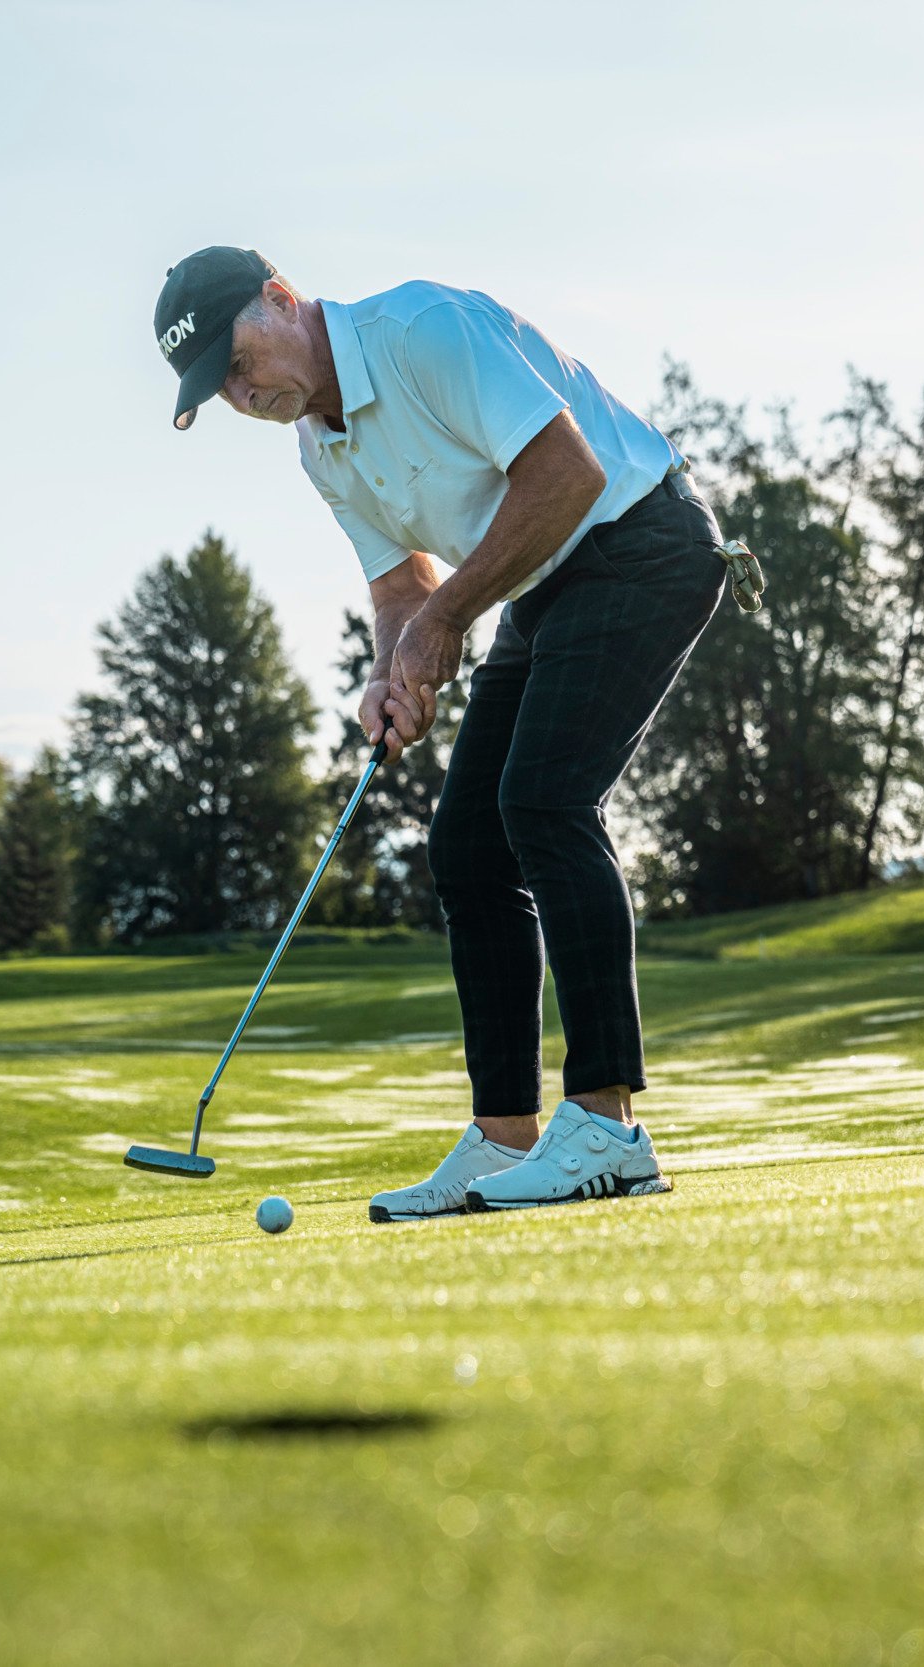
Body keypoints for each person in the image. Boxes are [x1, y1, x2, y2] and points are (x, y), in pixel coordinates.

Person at [153, 247, 729, 1220]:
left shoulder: (420, 329)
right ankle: (503, 1136)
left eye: (238, 358)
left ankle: (607, 1127)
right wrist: (390, 671)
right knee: (466, 840)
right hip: (543, 583)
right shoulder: (317, 446)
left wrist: (444, 620)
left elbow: (566, 475)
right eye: (220, 388)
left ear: (281, 298)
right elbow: (400, 589)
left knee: (543, 799)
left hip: (641, 539)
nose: (241, 391)